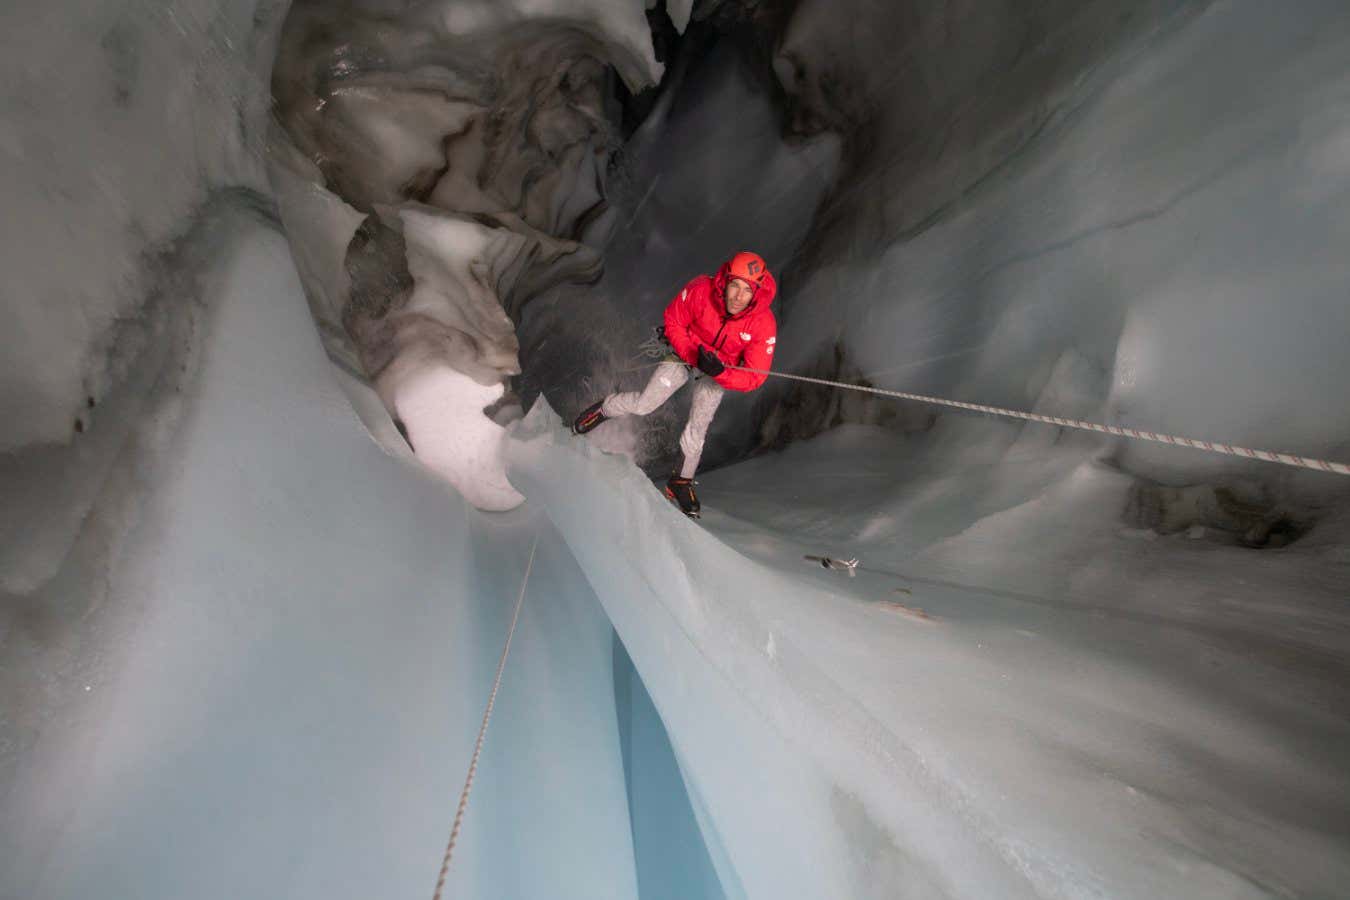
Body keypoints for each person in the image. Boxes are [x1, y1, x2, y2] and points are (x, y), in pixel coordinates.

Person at [572, 251, 778, 517]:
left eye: (747, 290)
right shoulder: (701, 290)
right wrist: (694, 355)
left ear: (757, 292)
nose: (738, 296)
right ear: (725, 281)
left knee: (698, 428)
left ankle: (681, 481)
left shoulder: (763, 323)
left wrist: (720, 372)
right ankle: (604, 409)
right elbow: (674, 320)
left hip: (718, 369)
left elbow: (755, 376)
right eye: (734, 285)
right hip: (687, 352)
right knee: (646, 403)